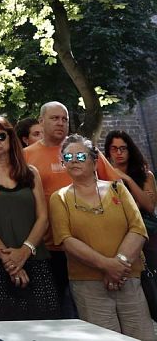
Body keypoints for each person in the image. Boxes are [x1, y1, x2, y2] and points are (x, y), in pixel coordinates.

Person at [50, 134, 152, 339]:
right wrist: (107, 265)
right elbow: (65, 240)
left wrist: (118, 265)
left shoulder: (118, 189)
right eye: (68, 157)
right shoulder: (59, 197)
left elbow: (138, 229)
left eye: (80, 156)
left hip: (127, 277)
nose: (74, 160)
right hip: (88, 283)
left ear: (95, 161)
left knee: (141, 335)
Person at [24, 101, 119, 318]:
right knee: (59, 312)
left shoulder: (85, 151)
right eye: (55, 118)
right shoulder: (26, 156)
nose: (61, 123)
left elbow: (115, 187)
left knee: (95, 312)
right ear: (41, 121)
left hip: (92, 245)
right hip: (50, 248)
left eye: (64, 119)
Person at [0, 116, 58, 321]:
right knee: (0, 327)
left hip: (35, 258)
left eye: (0, 136)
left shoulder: (31, 173)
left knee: (44, 324)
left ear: (10, 137)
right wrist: (10, 262)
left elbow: (43, 217)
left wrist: (25, 251)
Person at [104, 129, 157, 267]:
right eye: (114, 149)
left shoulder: (146, 175)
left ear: (130, 150)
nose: (119, 153)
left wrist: (128, 179)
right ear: (108, 152)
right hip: (120, 235)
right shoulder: (105, 179)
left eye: (123, 148)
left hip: (147, 232)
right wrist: (138, 202)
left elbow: (150, 207)